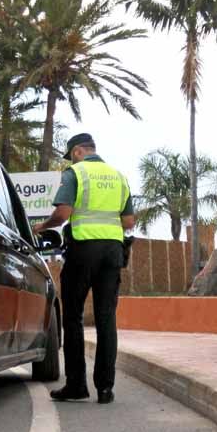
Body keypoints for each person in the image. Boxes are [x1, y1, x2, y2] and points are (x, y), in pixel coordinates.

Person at [32, 133, 135, 405]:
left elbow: (63, 214)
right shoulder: (118, 176)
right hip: (113, 252)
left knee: (73, 316)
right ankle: (105, 389)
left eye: (70, 154)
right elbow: (128, 221)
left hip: (83, 251)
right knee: (106, 318)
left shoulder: (75, 173)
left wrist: (41, 227)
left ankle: (77, 385)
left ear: (78, 151)